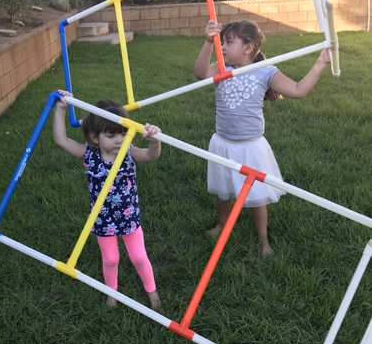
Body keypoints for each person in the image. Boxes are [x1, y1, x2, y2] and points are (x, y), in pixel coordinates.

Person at [194, 19, 331, 256]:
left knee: (256, 195)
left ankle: (263, 238)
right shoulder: (221, 67)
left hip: (250, 147)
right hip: (222, 142)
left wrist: (320, 63)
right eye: (221, 41)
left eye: (228, 42)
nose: (222, 46)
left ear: (248, 48)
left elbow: (298, 91)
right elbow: (200, 73)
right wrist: (208, 42)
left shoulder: (266, 72)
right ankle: (222, 223)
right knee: (222, 190)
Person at [53, 90, 162, 309]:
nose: (120, 140)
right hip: (102, 218)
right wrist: (60, 109)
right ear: (95, 137)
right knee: (110, 259)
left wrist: (154, 141)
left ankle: (153, 292)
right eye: (111, 136)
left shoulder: (129, 152)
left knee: (139, 257)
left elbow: (151, 156)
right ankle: (111, 291)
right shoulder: (89, 155)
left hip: (129, 218)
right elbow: (62, 140)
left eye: (123, 133)